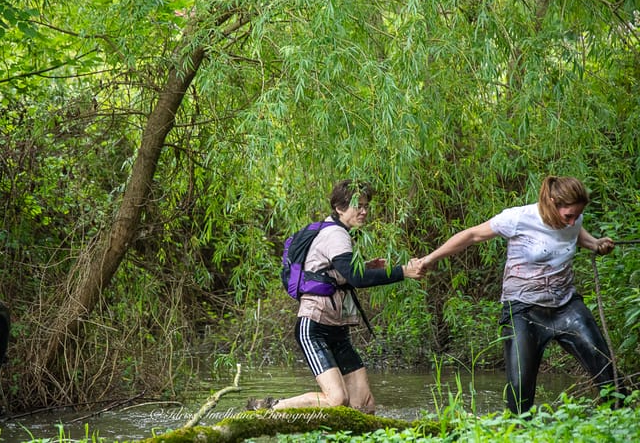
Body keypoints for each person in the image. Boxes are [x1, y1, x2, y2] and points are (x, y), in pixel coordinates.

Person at [413, 175, 619, 415]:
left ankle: (618, 421)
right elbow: (471, 236)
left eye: (577, 216)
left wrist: (595, 244)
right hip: (523, 311)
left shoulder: (573, 219)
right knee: (519, 395)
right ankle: (519, 431)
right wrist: (429, 259)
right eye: (568, 216)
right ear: (552, 202)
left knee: (608, 373)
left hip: (566, 306)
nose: (572, 221)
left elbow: (575, 233)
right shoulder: (519, 218)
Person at [247, 179, 424, 414]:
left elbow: (335, 272)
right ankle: (269, 407)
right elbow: (355, 279)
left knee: (364, 405)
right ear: (340, 208)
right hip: (314, 328)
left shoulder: (334, 230)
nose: (364, 211)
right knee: (336, 399)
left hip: (337, 330)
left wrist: (367, 266)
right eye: (358, 205)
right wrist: (404, 271)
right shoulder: (336, 234)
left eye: (366, 205)